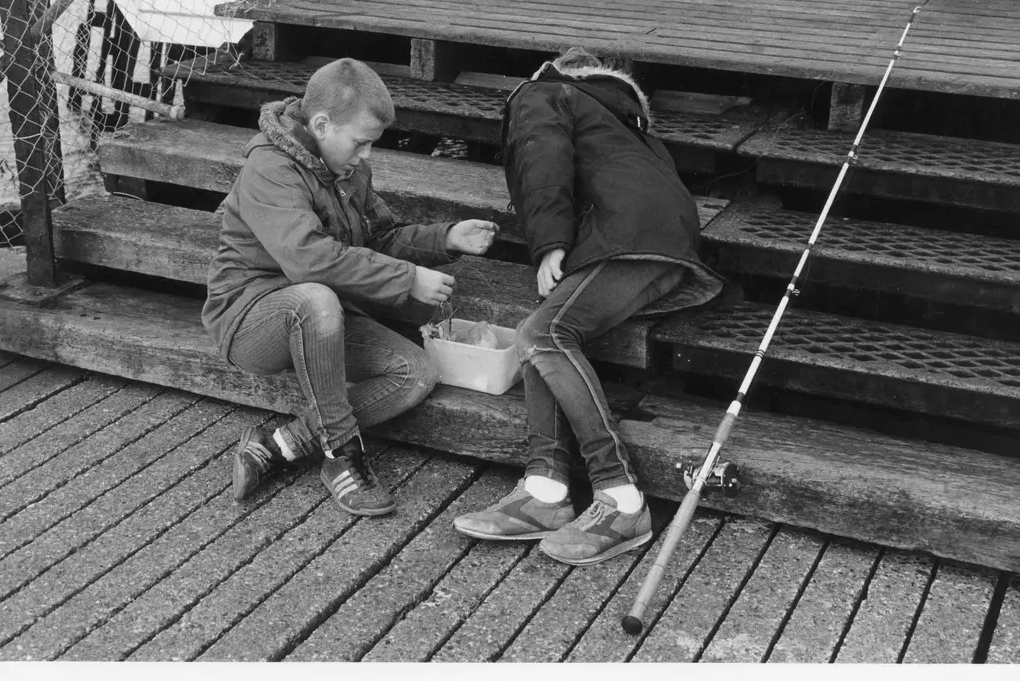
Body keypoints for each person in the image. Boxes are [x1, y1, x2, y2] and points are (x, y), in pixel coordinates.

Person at [453, 48, 726, 565]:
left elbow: (541, 156)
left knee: (544, 334)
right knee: (541, 327)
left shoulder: (543, 90)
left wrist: (549, 242)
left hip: (631, 240)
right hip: (658, 242)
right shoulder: (620, 118)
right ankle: (546, 491)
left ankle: (621, 497)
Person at [201, 58, 497, 513]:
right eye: (361, 143)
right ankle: (342, 455)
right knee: (315, 298)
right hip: (250, 321)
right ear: (321, 124)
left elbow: (377, 239)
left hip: (327, 316)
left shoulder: (348, 168)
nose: (367, 156)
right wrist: (407, 280)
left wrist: (445, 237)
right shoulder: (269, 168)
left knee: (415, 374)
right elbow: (308, 259)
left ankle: (280, 444)